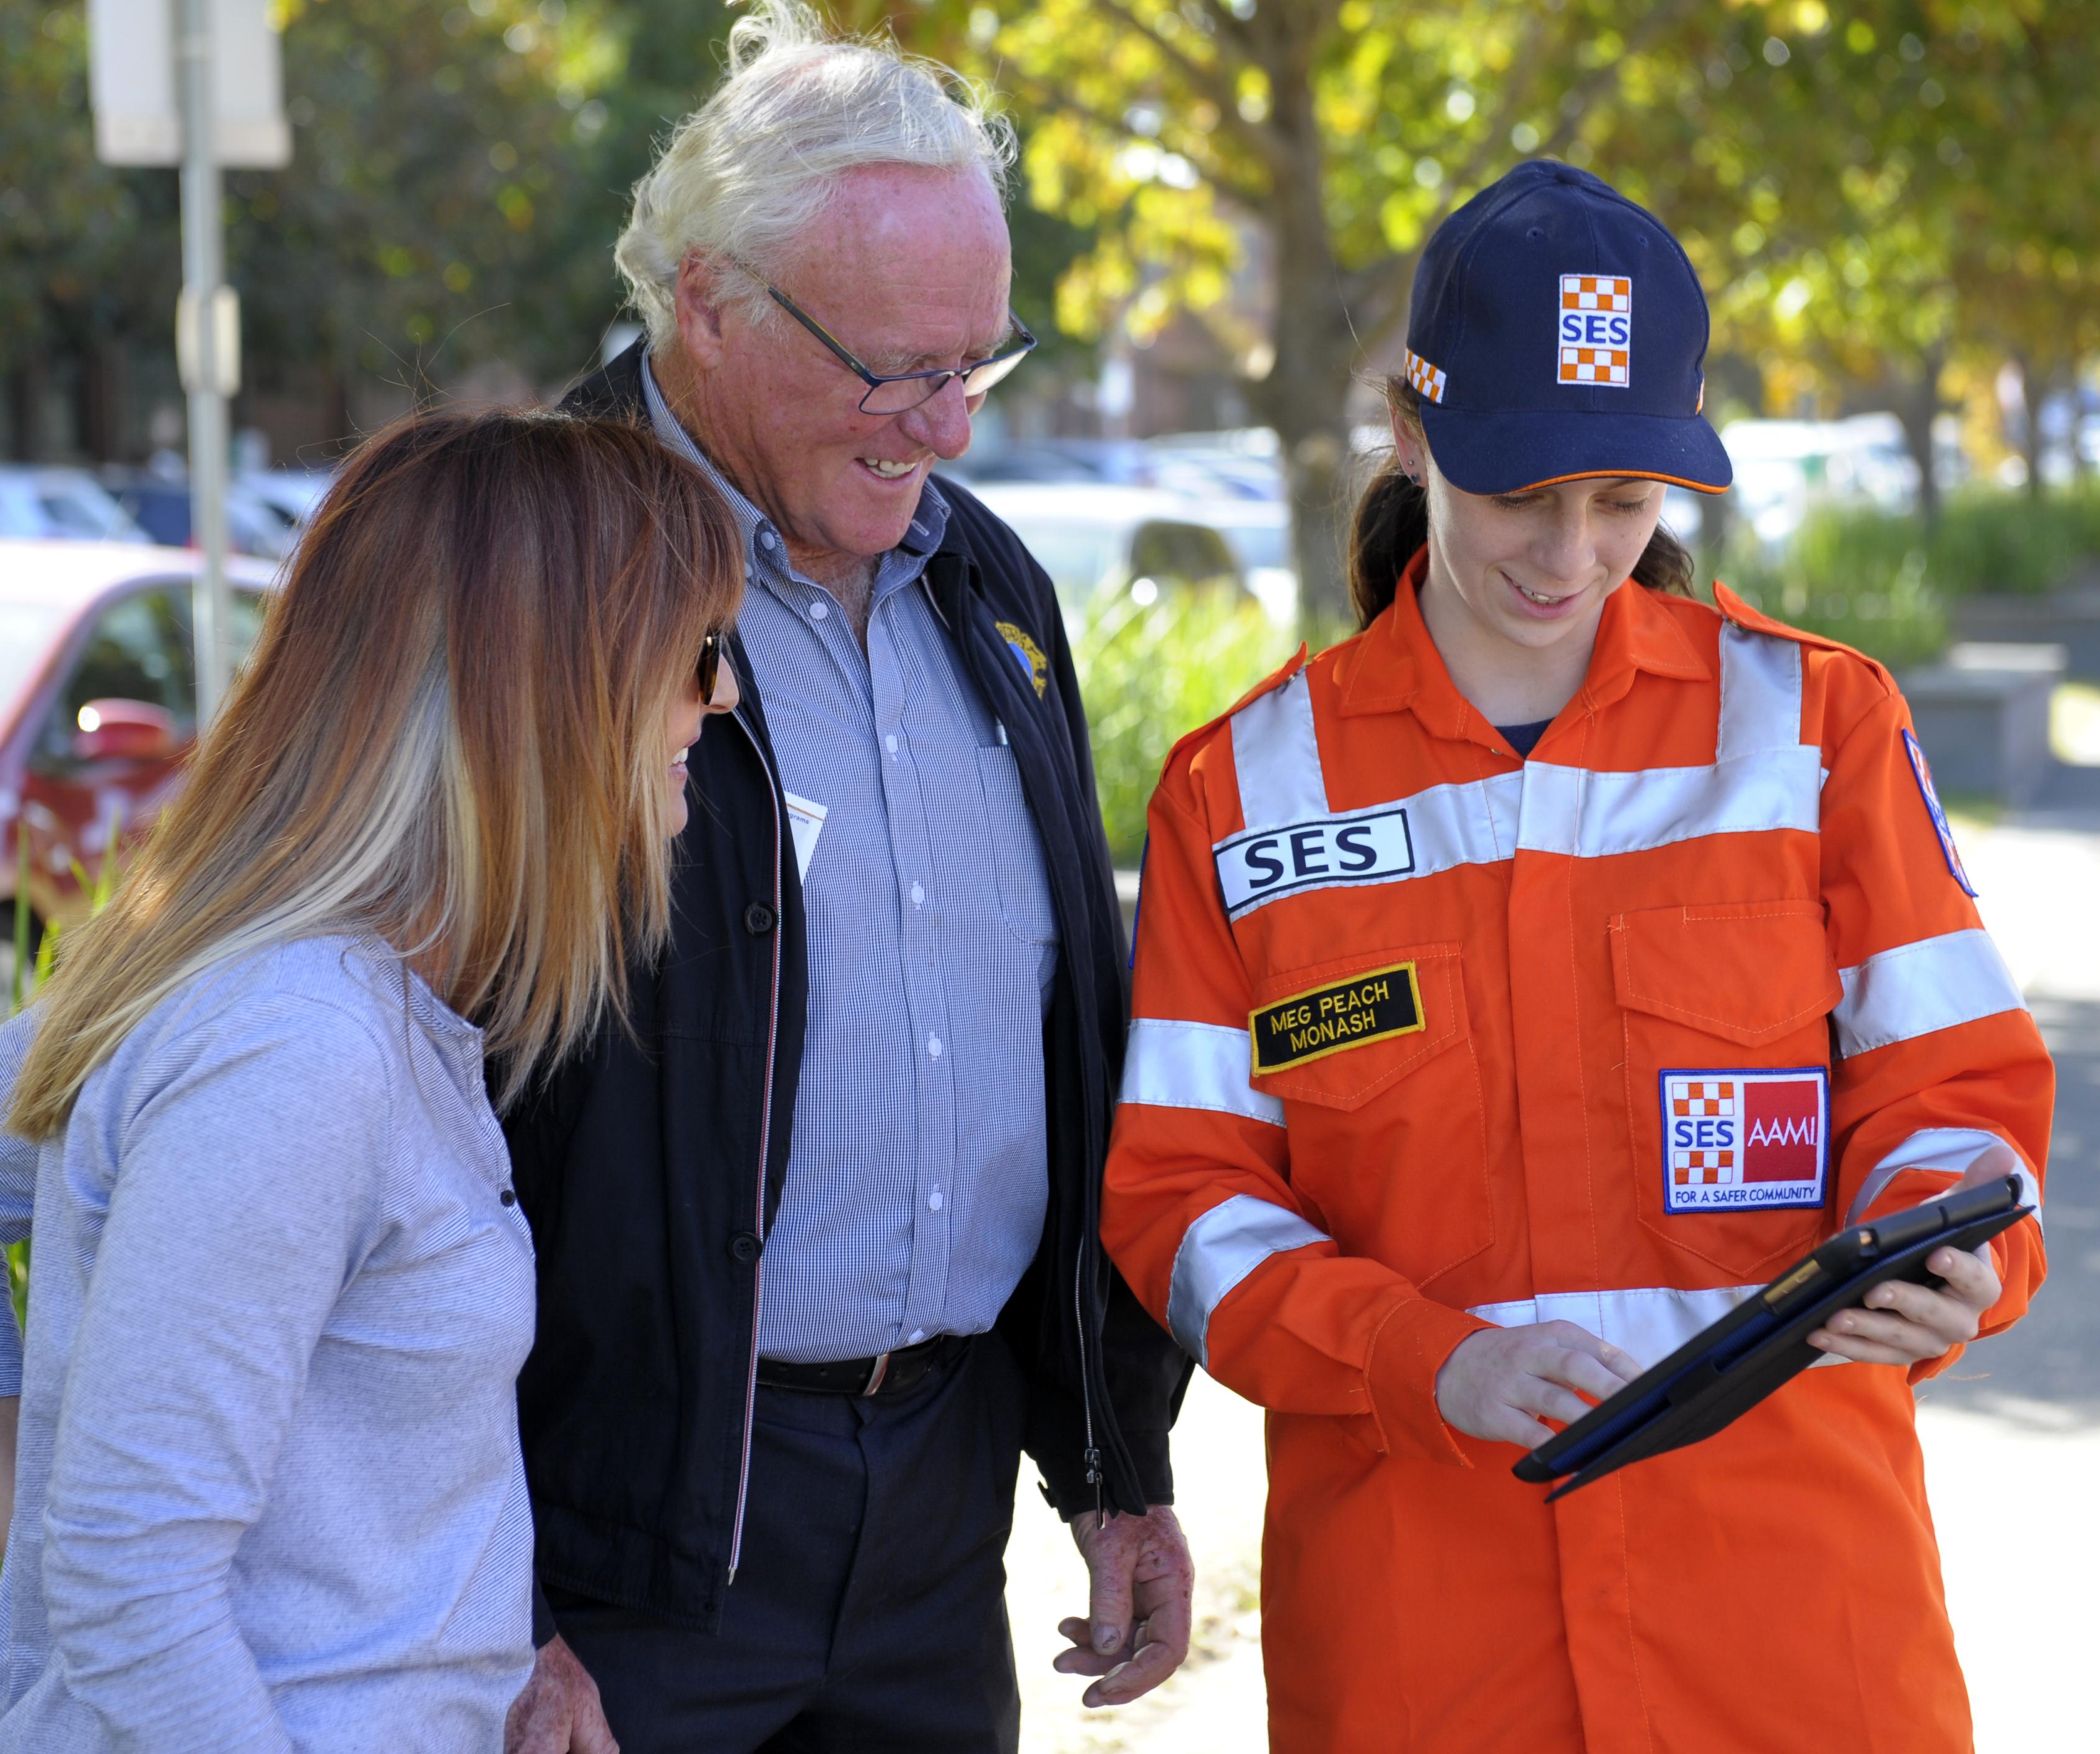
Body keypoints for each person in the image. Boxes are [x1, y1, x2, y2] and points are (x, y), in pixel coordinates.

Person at [1101, 160, 2055, 1754]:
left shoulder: (1820, 729)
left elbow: (1954, 1095)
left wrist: (1950, 1260)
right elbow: (1185, 1202)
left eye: (1624, 502)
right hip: (1426, 1647)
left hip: (1795, 1632)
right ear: (1413, 437)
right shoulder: (1244, 789)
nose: (1570, 554)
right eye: (1518, 497)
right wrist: (1425, 1359)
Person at [0, 411, 747, 1752]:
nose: (719, 696)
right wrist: (73, 1578)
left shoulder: (328, 991)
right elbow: (131, 1583)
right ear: (547, 683)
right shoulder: (298, 1045)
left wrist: (69, 1573)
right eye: (697, 654)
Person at [509, 6, 1195, 1750]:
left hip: (935, 1510)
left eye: (981, 361)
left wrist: (1115, 1463)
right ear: (707, 300)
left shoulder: (992, 590)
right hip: (617, 1557)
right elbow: (420, 1110)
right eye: (897, 367)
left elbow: (1063, 1034)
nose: (948, 427)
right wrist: (490, 1596)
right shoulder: (525, 579)